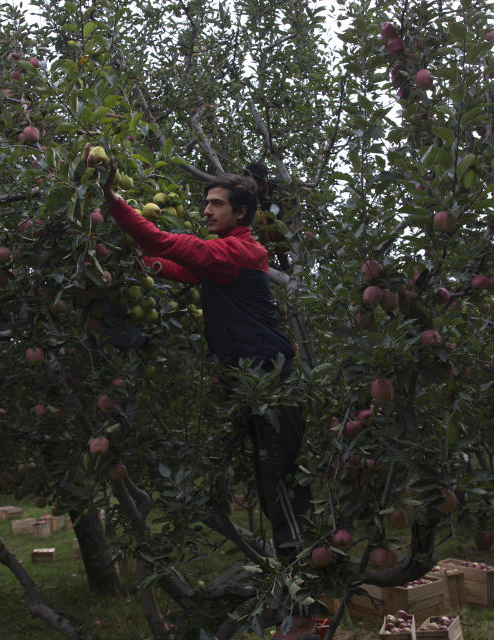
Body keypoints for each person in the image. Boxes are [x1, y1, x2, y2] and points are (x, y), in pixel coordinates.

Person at [101, 164, 315, 639]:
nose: (206, 210)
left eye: (216, 203)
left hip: (269, 384)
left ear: (240, 211)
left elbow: (166, 245)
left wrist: (113, 203)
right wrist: (131, 261)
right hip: (247, 383)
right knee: (270, 491)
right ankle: (291, 597)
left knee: (283, 494)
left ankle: (307, 609)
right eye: (206, 203)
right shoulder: (225, 260)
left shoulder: (238, 249)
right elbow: (174, 266)